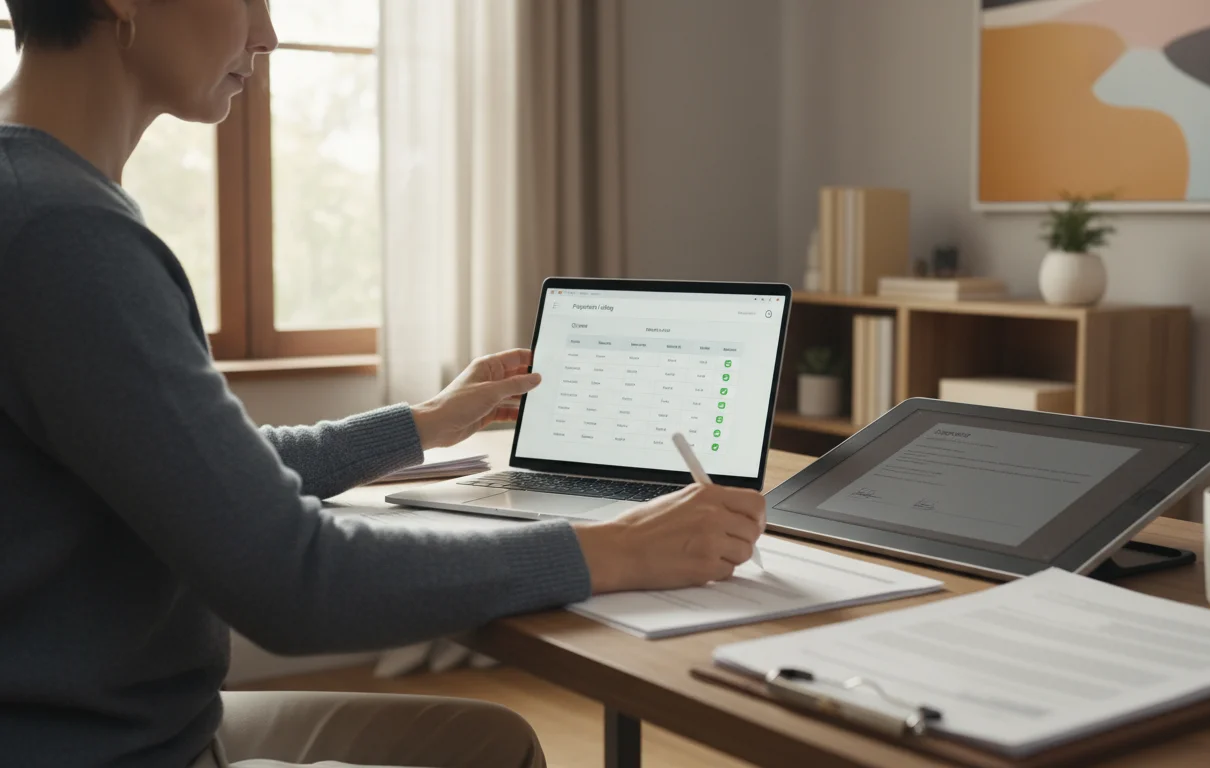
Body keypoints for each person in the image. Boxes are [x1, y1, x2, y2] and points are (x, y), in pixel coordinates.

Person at [0, 1, 768, 767]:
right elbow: (293, 581)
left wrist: (428, 421)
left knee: (491, 741)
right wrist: (617, 551)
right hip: (108, 749)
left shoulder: (36, 199)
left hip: (120, 724)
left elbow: (197, 476)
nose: (266, 34)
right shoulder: (63, 234)